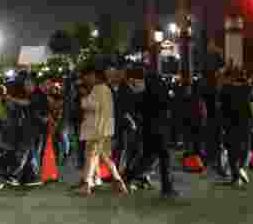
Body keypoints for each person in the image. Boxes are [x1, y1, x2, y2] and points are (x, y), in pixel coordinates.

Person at [125, 68, 178, 198]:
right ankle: (166, 188)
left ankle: (127, 177)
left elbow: (140, 106)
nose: (132, 85)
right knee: (158, 157)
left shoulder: (148, 87)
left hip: (153, 127)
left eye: (132, 82)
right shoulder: (154, 85)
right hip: (157, 127)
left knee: (150, 157)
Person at [76, 65, 128, 196]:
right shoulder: (106, 89)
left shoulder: (98, 89)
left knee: (91, 156)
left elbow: (92, 105)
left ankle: (86, 184)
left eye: (87, 77)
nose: (86, 79)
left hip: (96, 129)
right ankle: (118, 182)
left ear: (93, 76)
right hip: (105, 129)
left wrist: (84, 98)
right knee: (104, 157)